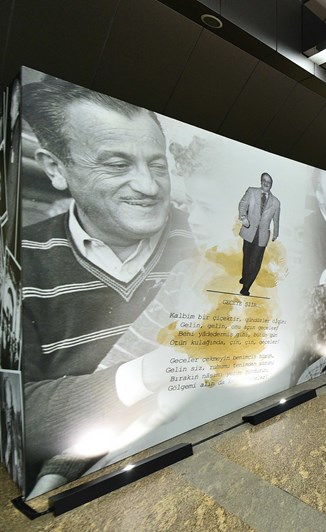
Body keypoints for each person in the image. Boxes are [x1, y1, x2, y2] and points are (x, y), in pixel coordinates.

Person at [21, 75, 196, 493]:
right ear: (55, 168)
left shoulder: (205, 240)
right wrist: (151, 372)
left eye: (157, 165)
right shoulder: (17, 262)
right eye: (117, 165)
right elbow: (16, 417)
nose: (149, 187)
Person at [238, 172, 280, 296]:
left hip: (262, 235)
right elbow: (243, 204)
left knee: (255, 261)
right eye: (264, 181)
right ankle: (245, 276)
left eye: (269, 182)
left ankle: (246, 287)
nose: (266, 183)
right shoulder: (251, 192)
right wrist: (243, 217)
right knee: (246, 257)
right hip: (249, 230)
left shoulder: (276, 202)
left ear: (271, 184)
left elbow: (276, 219)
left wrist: (275, 233)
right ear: (261, 181)